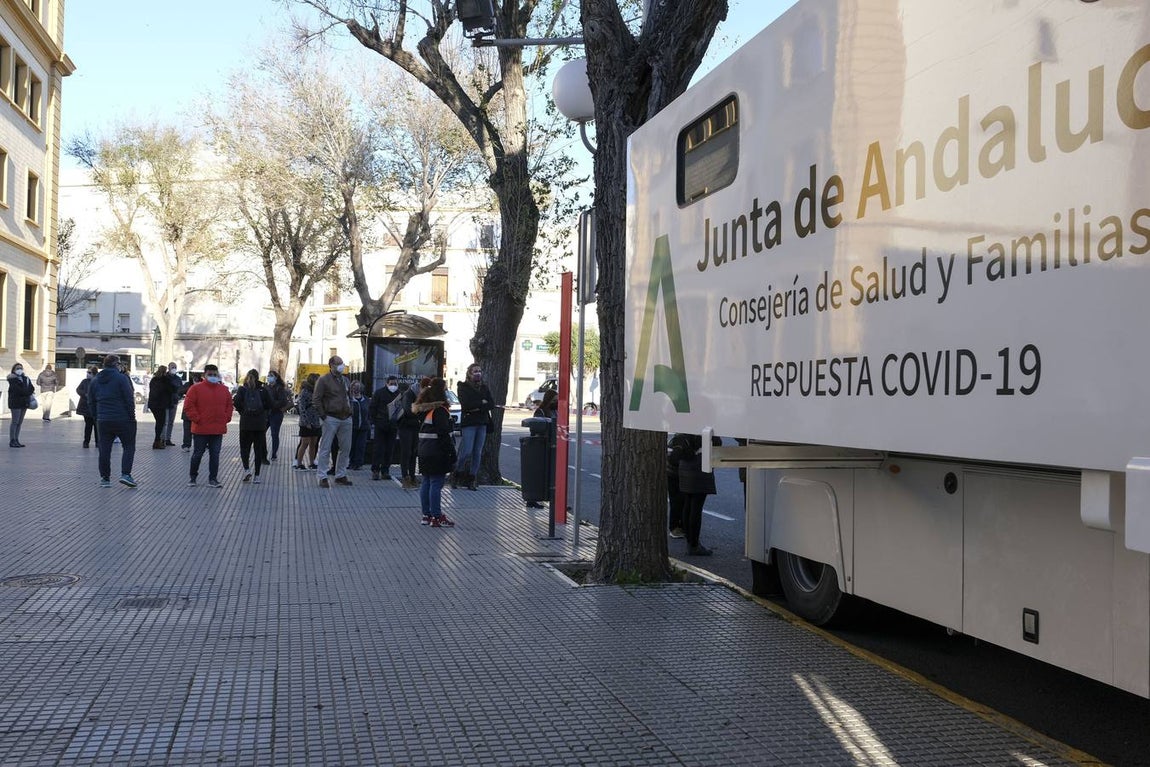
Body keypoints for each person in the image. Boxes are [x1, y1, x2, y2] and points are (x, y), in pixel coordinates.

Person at [87, 354, 138, 488]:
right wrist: (131, 416)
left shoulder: (95, 380)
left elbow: (90, 401)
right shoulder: (122, 379)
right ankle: (125, 474)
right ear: (116, 364)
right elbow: (129, 399)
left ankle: (105, 478)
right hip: (123, 419)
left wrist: (96, 416)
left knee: (104, 449)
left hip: (103, 419)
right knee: (128, 446)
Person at [668, 433, 723, 556]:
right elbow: (717, 442)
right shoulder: (704, 426)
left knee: (688, 503)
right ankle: (693, 544)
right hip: (700, 466)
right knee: (696, 507)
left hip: (684, 466)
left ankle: (690, 540)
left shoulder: (686, 425)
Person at [182, 363, 234, 488]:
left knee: (215, 455)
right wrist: (197, 419)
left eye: (215, 374)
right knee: (198, 454)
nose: (213, 377)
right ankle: (193, 477)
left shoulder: (224, 390)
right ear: (204, 375)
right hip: (201, 428)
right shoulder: (195, 389)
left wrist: (226, 418)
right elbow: (188, 406)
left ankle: (213, 478)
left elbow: (229, 405)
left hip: (217, 429)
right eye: (210, 374)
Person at [415, 377, 456, 527]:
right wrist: (451, 453)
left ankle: (426, 515)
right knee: (436, 483)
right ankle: (436, 516)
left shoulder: (424, 409)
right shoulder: (440, 411)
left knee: (426, 481)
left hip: (424, 450)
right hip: (437, 451)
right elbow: (443, 433)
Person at [313, 355, 353, 488]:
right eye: (339, 363)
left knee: (346, 448)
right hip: (330, 417)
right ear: (331, 365)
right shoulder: (323, 380)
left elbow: (349, 396)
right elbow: (316, 399)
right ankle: (322, 476)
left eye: (342, 363)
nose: (342, 365)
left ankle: (340, 475)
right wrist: (323, 416)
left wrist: (350, 411)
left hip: (346, 417)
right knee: (325, 448)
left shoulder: (345, 380)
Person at [453, 362, 493, 490]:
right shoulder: (463, 387)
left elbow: (491, 404)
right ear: (469, 373)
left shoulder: (484, 388)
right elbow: (466, 404)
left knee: (477, 452)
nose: (478, 373)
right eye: (475, 371)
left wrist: (478, 406)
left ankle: (472, 478)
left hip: (482, 422)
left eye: (479, 371)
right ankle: (457, 474)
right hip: (469, 423)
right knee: (467, 451)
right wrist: (482, 403)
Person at [233, 369, 272, 484]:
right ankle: (257, 475)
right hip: (259, 424)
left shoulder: (242, 389)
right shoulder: (263, 390)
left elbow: (236, 403)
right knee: (258, 449)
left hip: (246, 423)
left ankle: (246, 470)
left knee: (245, 448)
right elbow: (270, 404)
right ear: (258, 377)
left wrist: (243, 412)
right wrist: (262, 413)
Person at [526, 390, 560, 509]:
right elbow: (537, 427)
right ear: (548, 399)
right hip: (542, 446)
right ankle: (532, 499)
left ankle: (555, 501)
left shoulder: (556, 411)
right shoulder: (540, 411)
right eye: (554, 399)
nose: (556, 402)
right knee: (538, 473)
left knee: (553, 474)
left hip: (554, 445)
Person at [369, 375, 400, 481]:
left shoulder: (399, 394)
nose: (393, 386)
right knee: (378, 449)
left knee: (389, 449)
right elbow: (373, 407)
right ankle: (375, 470)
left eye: (395, 384)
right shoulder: (379, 393)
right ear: (387, 383)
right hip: (381, 425)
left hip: (393, 426)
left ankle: (385, 471)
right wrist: (374, 421)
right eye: (391, 384)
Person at [395, 378, 425, 489]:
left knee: (414, 452)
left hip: (415, 427)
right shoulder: (409, 394)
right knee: (406, 452)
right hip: (405, 426)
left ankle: (412, 476)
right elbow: (409, 411)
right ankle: (405, 477)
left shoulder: (421, 396)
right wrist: (420, 412)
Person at [293, 374, 321, 471]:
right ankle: (299, 463)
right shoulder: (305, 392)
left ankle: (312, 462)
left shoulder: (318, 391)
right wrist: (306, 422)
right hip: (307, 422)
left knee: (314, 443)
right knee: (305, 442)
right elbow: (302, 408)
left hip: (316, 421)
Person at [147, 364, 176, 449]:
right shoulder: (165, 380)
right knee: (161, 423)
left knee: (159, 422)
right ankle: (157, 441)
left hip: (153, 404)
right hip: (161, 405)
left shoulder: (153, 379)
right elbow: (172, 389)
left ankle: (157, 441)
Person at [265, 369, 291, 462]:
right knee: (261, 433)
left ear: (276, 378)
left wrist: (272, 404)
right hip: (267, 414)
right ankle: (263, 452)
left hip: (276, 414)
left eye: (271, 375)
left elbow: (282, 401)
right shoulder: (266, 387)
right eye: (268, 375)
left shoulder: (279, 388)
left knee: (274, 434)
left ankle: (274, 454)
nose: (269, 377)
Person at [6, 363, 34, 447]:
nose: (19, 370)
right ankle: (12, 440)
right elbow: (17, 390)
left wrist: (27, 392)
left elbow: (32, 388)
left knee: (19, 422)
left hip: (24, 403)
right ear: (14, 370)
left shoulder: (26, 378)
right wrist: (26, 392)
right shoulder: (12, 379)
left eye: (21, 368)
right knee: (15, 422)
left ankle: (17, 439)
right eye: (17, 368)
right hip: (15, 403)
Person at [347, 380, 371, 470]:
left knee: (361, 446)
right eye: (354, 387)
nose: (356, 389)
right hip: (352, 427)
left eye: (358, 387)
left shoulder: (366, 399)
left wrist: (369, 421)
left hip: (363, 427)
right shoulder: (349, 399)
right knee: (352, 445)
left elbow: (370, 412)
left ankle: (359, 463)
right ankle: (351, 462)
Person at [75, 364, 100, 448]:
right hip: (85, 407)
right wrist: (84, 394)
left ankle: (98, 442)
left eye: (89, 372)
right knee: (88, 426)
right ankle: (86, 442)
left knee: (97, 427)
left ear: (94, 373)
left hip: (96, 408)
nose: (87, 374)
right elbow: (78, 390)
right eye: (87, 372)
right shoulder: (84, 381)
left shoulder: (98, 382)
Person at [179, 373, 202, 451]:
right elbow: (180, 391)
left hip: (198, 412)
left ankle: (199, 445)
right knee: (187, 430)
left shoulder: (203, 385)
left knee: (198, 430)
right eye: (194, 379)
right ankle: (186, 445)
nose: (196, 381)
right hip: (188, 413)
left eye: (197, 379)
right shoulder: (188, 385)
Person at [162, 362, 183, 446]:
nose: (174, 368)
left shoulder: (178, 379)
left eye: (175, 367)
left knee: (171, 422)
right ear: (168, 368)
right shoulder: (164, 378)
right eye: (172, 367)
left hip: (174, 402)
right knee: (165, 421)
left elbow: (181, 389)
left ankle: (168, 439)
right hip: (165, 402)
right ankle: (162, 438)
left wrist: (179, 397)